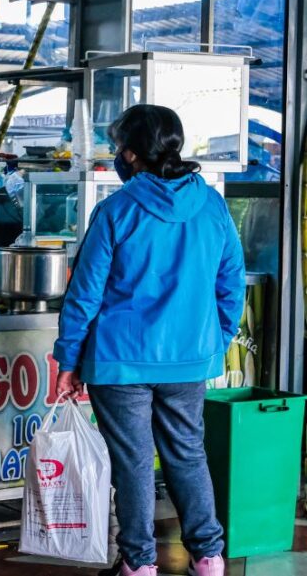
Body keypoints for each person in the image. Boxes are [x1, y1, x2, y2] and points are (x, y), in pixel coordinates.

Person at [53, 104, 244, 576]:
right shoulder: (213, 205)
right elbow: (231, 281)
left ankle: (138, 565)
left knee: (133, 463)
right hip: (189, 360)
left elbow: (85, 294)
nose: (118, 155)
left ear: (134, 155)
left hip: (120, 362)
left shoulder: (116, 210)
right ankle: (209, 558)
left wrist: (68, 360)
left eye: (119, 147)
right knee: (187, 454)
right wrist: (210, 340)